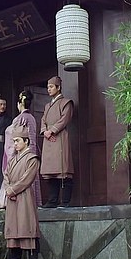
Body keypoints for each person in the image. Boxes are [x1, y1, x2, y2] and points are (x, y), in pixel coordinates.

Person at [0, 134, 41, 259]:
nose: (15, 144)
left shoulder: (32, 159)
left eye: (18, 141)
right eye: (14, 141)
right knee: (13, 226)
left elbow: (27, 179)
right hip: (12, 197)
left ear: (26, 141)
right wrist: (8, 189)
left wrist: (12, 190)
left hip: (24, 195)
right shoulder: (13, 160)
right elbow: (6, 175)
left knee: (26, 225)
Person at [40, 76, 75, 208]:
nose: (49, 89)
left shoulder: (66, 103)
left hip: (60, 138)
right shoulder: (47, 106)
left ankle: (65, 201)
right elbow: (43, 120)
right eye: (48, 87)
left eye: (51, 87)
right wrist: (45, 131)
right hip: (48, 139)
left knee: (63, 170)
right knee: (50, 172)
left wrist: (52, 131)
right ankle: (52, 200)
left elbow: (64, 119)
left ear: (58, 87)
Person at [3, 90, 42, 207]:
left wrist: (11, 156)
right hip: (32, 152)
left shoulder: (19, 119)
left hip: (21, 154)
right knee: (31, 177)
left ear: (20, 104)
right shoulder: (32, 118)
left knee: (20, 178)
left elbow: (15, 138)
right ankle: (35, 201)